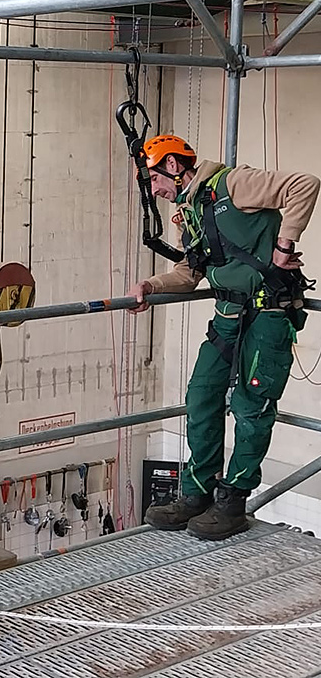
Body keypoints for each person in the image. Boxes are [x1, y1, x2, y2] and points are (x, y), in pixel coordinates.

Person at [131, 134, 319, 540]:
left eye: (155, 181)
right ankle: (197, 493)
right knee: (201, 395)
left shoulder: (234, 184)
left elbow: (304, 184)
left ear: (173, 167)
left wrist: (285, 245)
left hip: (267, 314)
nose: (156, 191)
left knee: (252, 407)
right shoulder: (191, 211)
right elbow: (188, 273)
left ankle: (232, 501)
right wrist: (150, 284)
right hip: (227, 315)